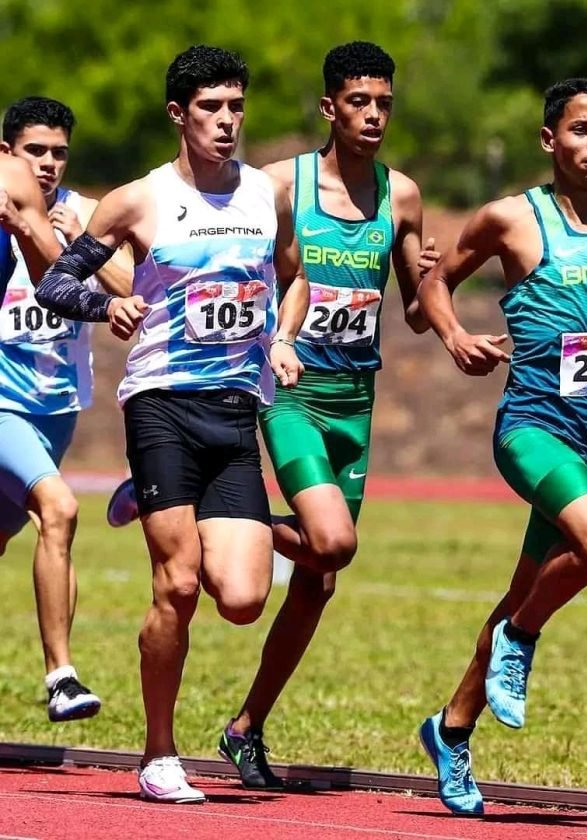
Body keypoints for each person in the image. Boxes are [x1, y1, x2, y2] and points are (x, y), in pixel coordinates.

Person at [36, 45, 309, 804]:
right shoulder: (139, 200)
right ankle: (160, 754)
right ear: (178, 115)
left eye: (236, 107)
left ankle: (140, 496)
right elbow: (60, 280)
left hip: (235, 408)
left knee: (244, 596)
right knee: (179, 584)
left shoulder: (265, 195)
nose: (227, 122)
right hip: (160, 401)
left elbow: (295, 277)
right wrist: (108, 303)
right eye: (211, 108)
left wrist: (282, 339)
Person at [416, 78, 587, 815]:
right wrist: (454, 336)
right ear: (550, 139)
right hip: (535, 428)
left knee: (524, 585)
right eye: (580, 130)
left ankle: (451, 729)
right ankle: (521, 638)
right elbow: (430, 289)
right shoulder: (511, 218)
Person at [163, 40, 429, 790]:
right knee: (332, 541)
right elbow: (249, 262)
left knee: (317, 578)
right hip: (291, 395)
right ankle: (221, 526)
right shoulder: (281, 184)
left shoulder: (401, 195)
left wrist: (448, 314)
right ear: (329, 107)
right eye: (359, 102)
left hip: (357, 403)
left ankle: (246, 729)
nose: (373, 115)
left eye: (383, 103)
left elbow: (415, 304)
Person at [0, 97, 133, 722]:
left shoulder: (83, 212)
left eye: (58, 153)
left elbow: (135, 286)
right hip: (3, 404)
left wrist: (82, 245)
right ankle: (62, 676)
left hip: (55, 409)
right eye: (35, 151)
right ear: (8, 154)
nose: (48, 164)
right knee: (59, 509)